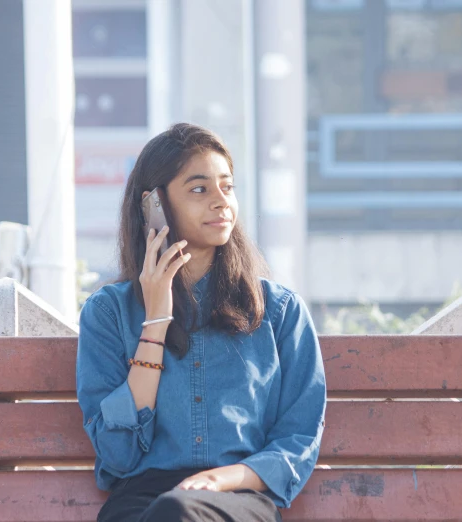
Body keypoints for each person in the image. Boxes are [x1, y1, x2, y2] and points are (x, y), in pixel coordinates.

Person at [76, 123, 327, 522]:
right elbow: (118, 454)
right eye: (199, 189)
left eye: (227, 187)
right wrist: (156, 320)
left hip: (238, 499)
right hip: (139, 500)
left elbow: (298, 439)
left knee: (176, 511)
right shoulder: (108, 313)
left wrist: (221, 479)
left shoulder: (278, 311)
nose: (220, 202)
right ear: (153, 205)